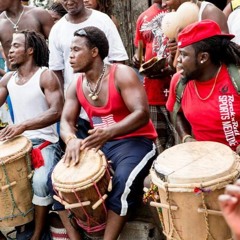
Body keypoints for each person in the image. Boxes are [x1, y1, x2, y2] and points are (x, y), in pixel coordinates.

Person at [50, 26, 158, 240]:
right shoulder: (76, 84)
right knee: (55, 182)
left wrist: (108, 132)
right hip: (101, 144)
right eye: (70, 50)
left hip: (136, 142)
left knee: (123, 182)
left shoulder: (122, 74)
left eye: (76, 50)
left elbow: (142, 114)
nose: (70, 55)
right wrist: (71, 139)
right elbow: (66, 120)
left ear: (94, 52)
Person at [0, 30, 64, 240]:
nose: (10, 51)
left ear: (30, 50)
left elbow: (57, 111)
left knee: (39, 181)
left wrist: (23, 125)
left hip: (44, 143)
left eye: (16, 46)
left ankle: (36, 235)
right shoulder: (8, 79)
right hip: (17, 144)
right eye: (10, 47)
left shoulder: (44, 75)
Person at [166, 20, 240, 153]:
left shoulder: (236, 78)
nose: (178, 60)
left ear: (203, 57)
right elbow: (175, 111)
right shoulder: (179, 82)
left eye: (183, 54)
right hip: (204, 163)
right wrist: (186, 137)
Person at [48, 0, 128, 92]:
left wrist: (114, 89)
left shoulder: (103, 20)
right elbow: (56, 69)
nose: (69, 2)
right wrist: (64, 98)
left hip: (106, 93)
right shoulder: (57, 29)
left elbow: (118, 58)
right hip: (74, 95)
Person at [133, 0, 175, 154]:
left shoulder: (180, 12)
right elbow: (140, 51)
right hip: (153, 92)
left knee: (181, 140)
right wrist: (137, 59)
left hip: (177, 90)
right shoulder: (144, 17)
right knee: (160, 144)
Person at [0, 0, 54, 69]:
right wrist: (8, 77)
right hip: (14, 74)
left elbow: (57, 47)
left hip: (42, 72)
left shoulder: (39, 15)